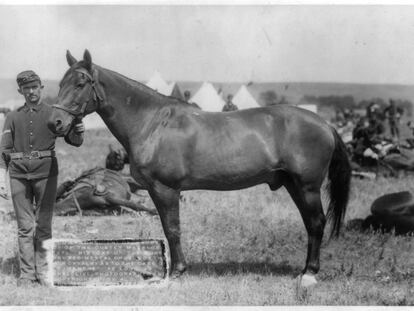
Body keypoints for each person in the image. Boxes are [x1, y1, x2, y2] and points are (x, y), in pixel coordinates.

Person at [0, 70, 85, 286]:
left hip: (46, 174)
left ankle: (44, 272)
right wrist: (2, 178)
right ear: (21, 91)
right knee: (24, 226)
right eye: (26, 88)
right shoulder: (12, 117)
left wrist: (78, 129)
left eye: (35, 87)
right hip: (18, 175)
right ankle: (27, 275)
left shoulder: (52, 113)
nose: (31, 92)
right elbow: (3, 151)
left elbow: (74, 140)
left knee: (44, 225)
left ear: (41, 88)